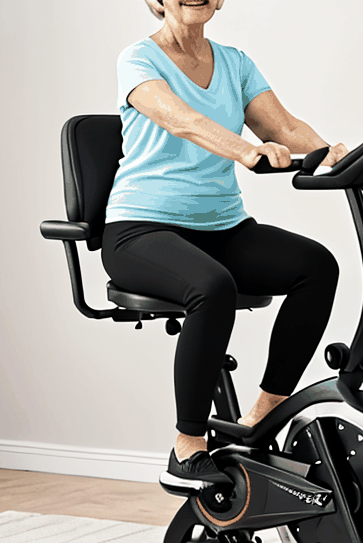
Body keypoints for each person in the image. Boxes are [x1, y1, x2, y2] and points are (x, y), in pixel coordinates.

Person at [102, 0, 350, 487]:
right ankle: (187, 447)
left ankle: (263, 414)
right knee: (212, 286)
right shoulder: (138, 59)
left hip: (222, 228)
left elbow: (284, 128)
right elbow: (183, 121)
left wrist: (339, 155)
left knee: (316, 266)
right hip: (140, 230)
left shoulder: (235, 63)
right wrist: (246, 152)